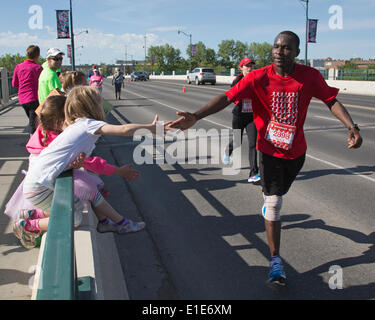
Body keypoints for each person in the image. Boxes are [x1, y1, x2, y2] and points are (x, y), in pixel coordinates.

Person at [169, 30, 363, 286]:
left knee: (278, 195)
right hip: (268, 151)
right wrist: (195, 116)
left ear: (296, 53)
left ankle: (270, 205)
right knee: (274, 204)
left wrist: (351, 126)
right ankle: (275, 262)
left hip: (296, 153)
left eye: (286, 48)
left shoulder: (310, 76)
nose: (279, 52)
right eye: (276, 47)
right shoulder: (258, 77)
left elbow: (331, 100)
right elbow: (225, 99)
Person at [15, 87, 168, 248]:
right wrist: (151, 128)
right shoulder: (88, 124)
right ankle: (27, 225)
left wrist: (77, 163)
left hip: (38, 183)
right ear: (92, 106)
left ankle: (31, 214)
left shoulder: (77, 126)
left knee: (79, 203)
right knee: (74, 218)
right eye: (100, 103)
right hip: (39, 187)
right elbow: (123, 129)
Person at [223, 57, 260, 183]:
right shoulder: (237, 80)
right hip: (239, 115)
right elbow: (234, 94)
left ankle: (253, 173)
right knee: (238, 140)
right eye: (247, 66)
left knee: (253, 144)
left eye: (251, 66)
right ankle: (228, 152)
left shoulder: (256, 78)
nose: (250, 68)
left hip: (251, 117)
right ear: (241, 68)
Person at [11, 45, 43, 135]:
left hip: (22, 99)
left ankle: (35, 143)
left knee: (33, 122)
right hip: (34, 98)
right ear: (38, 55)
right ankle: (32, 145)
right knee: (34, 125)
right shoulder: (38, 68)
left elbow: (14, 84)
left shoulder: (18, 67)